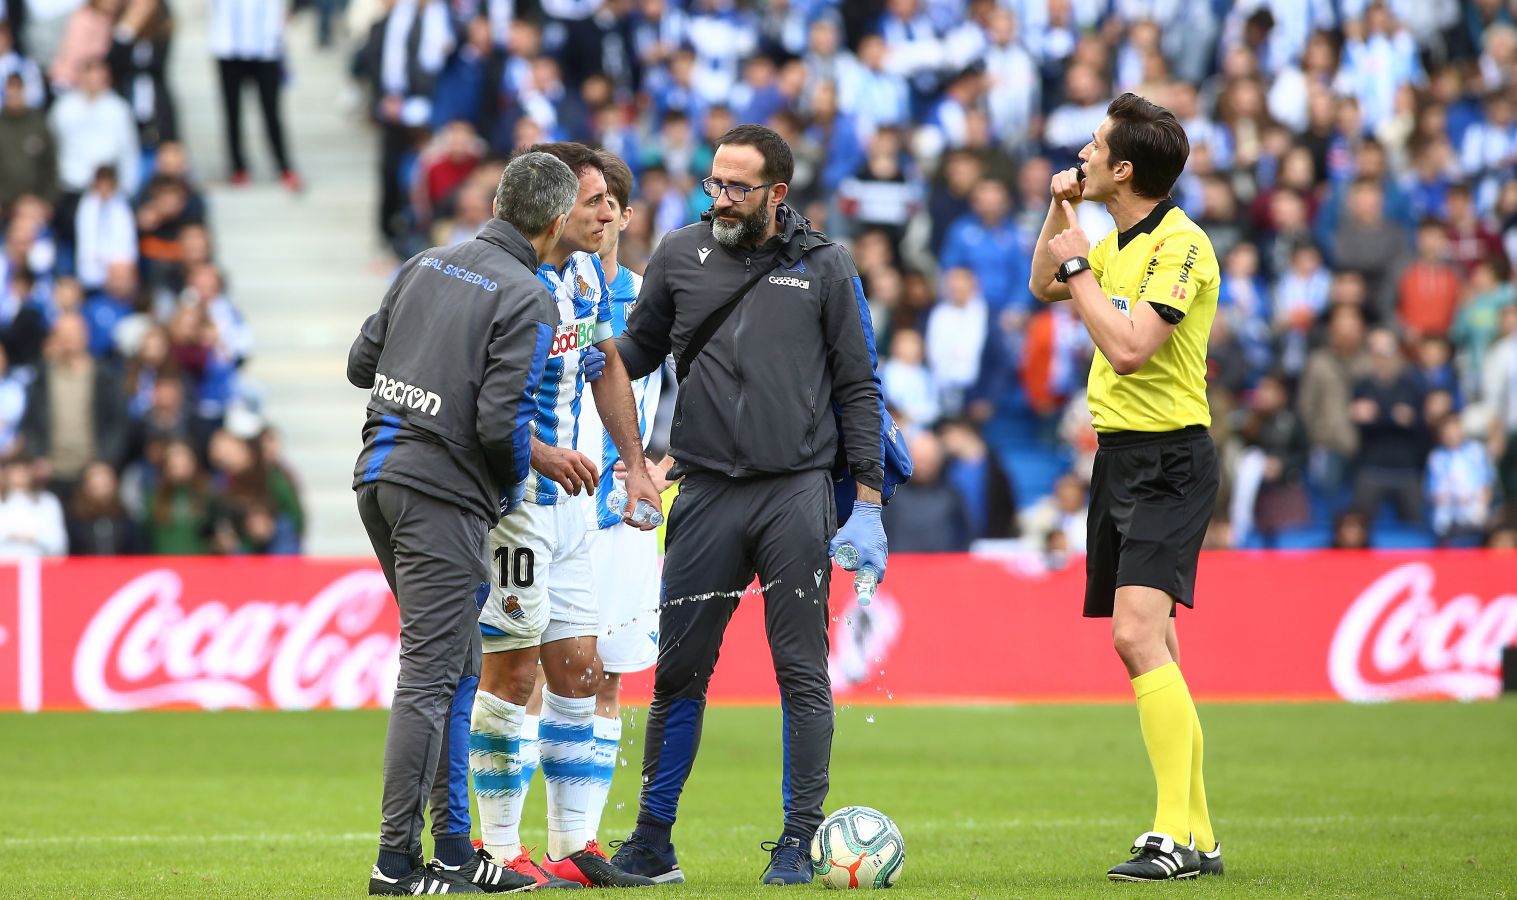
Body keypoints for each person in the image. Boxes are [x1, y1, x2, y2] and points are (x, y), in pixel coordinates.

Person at [606, 124, 886, 886]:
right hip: (702, 493)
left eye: (737, 187)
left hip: (794, 492)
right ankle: (652, 843)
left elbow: (859, 387)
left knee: (800, 670)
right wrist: (624, 443)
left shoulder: (825, 265)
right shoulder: (678, 253)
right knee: (677, 672)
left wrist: (866, 502)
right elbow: (631, 357)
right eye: (714, 183)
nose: (721, 198)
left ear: (776, 193)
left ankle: (799, 839)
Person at [347, 150, 574, 897]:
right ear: (555, 223)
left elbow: (361, 363)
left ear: (499, 203)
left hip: (380, 477)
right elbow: (500, 424)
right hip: (441, 493)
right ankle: (393, 865)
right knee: (428, 676)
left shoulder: (424, 262)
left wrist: (427, 374)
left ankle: (452, 851)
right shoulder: (529, 296)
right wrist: (509, 490)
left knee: (457, 668)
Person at [1030, 92, 1224, 881]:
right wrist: (1061, 215)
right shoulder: (1114, 239)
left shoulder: (1181, 245)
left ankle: (1169, 837)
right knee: (1158, 644)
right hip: (1118, 459)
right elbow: (1043, 283)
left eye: (1093, 145)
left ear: (1123, 169)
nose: (1081, 152)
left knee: (1135, 637)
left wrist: (1079, 261)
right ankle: (1200, 836)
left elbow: (1131, 348)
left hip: (1170, 460)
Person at [465, 142, 661, 891]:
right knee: (512, 672)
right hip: (516, 505)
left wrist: (633, 461)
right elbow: (477, 394)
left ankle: (573, 846)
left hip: (577, 509)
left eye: (611, 202)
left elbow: (606, 366)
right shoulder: (500, 278)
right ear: (554, 211)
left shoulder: (586, 277)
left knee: (580, 670)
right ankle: (497, 848)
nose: (607, 213)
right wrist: (540, 453)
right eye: (593, 202)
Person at [209, 0, 300, 189]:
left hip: (266, 46)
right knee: (232, 111)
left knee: (271, 110)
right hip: (229, 46)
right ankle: (237, 167)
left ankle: (283, 166)